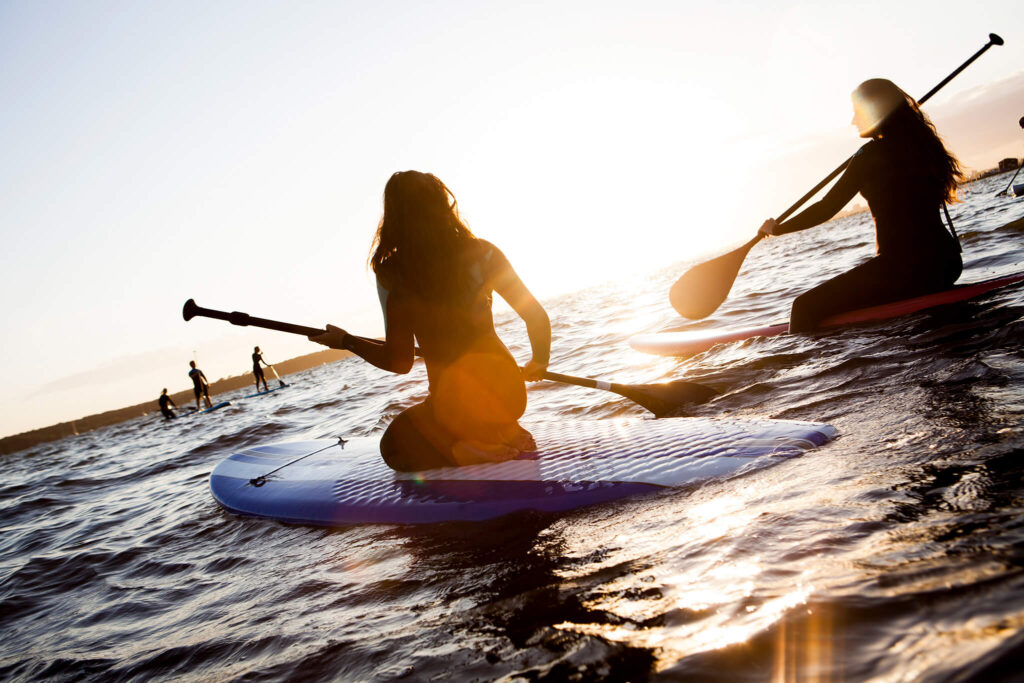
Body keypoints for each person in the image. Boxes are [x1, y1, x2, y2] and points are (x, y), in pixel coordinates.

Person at [310, 171, 551, 471]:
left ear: (394, 216)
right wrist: (539, 361)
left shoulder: (393, 273)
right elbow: (536, 317)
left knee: (393, 447)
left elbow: (400, 361)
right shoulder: (485, 253)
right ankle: (503, 428)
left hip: (454, 408)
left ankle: (466, 449)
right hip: (511, 395)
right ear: (442, 204)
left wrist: (347, 341)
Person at [758, 78, 964, 333]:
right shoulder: (925, 146)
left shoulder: (869, 155)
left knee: (803, 307)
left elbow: (826, 207)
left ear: (875, 111)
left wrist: (777, 229)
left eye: (857, 112)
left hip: (903, 269)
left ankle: (810, 370)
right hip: (947, 263)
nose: (853, 120)